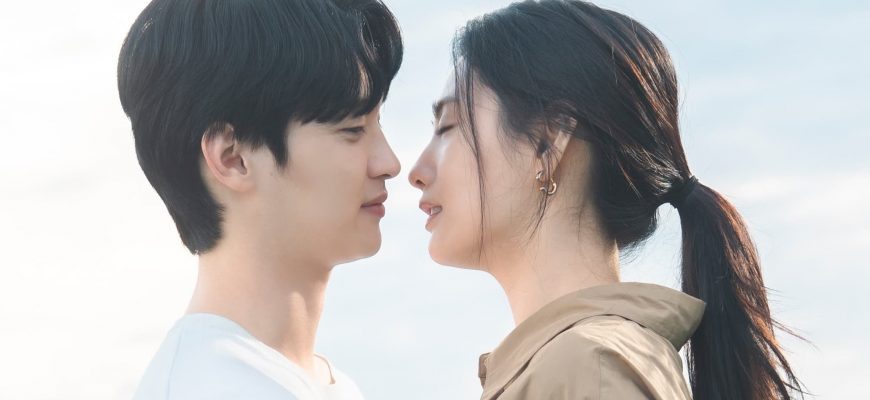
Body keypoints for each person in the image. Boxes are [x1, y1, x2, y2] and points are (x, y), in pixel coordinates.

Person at [409, 1, 804, 399]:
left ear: (547, 142)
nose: (416, 170)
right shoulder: (578, 363)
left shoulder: (589, 366)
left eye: (448, 127)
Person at [117, 0, 402, 398]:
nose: (390, 163)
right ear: (232, 157)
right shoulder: (209, 387)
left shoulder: (308, 382)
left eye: (378, 123)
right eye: (352, 129)